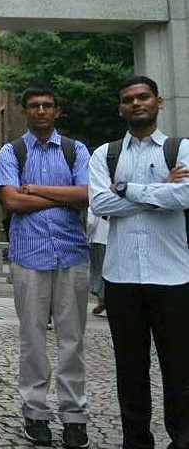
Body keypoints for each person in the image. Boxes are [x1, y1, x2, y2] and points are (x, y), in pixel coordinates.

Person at [88, 75, 189, 449]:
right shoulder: (105, 154)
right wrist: (163, 191)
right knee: (130, 369)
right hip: (122, 276)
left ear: (158, 102)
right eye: (128, 99)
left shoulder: (181, 149)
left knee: (179, 367)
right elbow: (100, 203)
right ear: (120, 108)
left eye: (143, 97)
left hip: (173, 275)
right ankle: (136, 441)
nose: (136, 103)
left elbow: (185, 195)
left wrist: (126, 189)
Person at [0, 87, 91, 448]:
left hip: (71, 252)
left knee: (72, 339)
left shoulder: (75, 150)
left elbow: (86, 194)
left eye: (48, 105)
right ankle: (35, 411)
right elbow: (12, 201)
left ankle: (74, 415)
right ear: (25, 111)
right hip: (29, 255)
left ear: (57, 111)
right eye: (34, 106)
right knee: (32, 338)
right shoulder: (11, 151)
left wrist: (35, 190)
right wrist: (61, 196)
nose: (41, 110)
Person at [85, 208, 108, 315]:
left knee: (99, 271)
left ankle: (103, 300)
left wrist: (86, 236)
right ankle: (102, 300)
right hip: (103, 238)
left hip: (99, 238)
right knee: (102, 271)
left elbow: (91, 221)